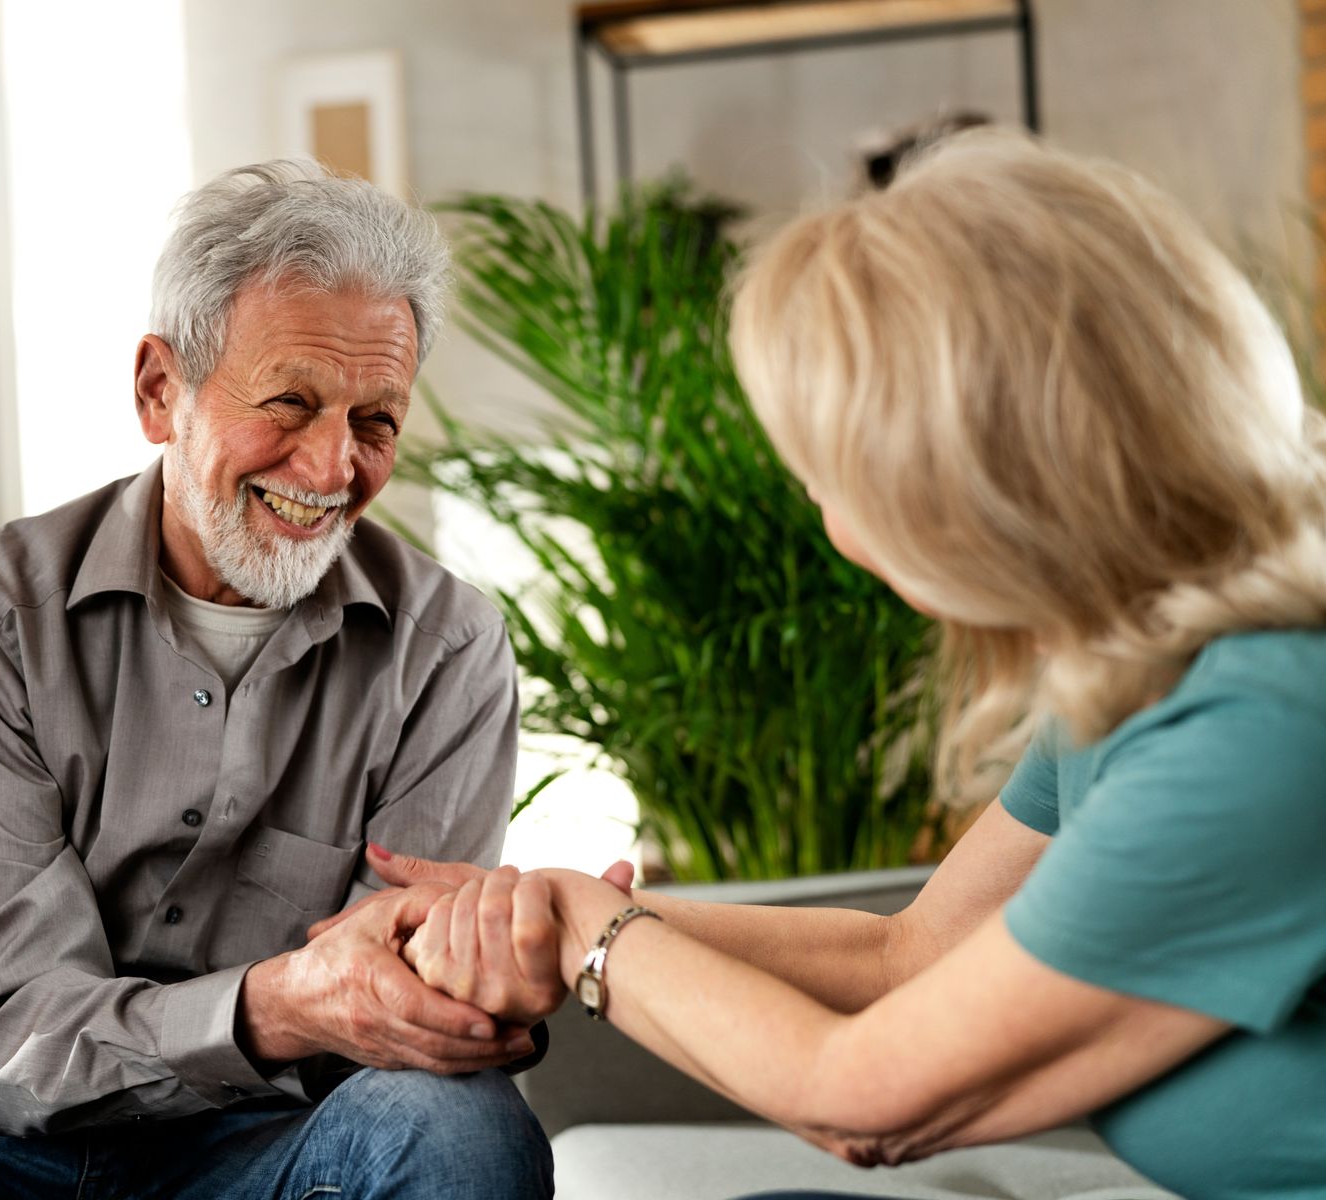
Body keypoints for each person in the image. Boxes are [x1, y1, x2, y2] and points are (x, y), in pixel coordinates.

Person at [386, 132, 1326, 1199]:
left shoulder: (1264, 723)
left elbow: (859, 1096)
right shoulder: (1155, 651)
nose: (830, 523)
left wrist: (592, 935)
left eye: (827, 475)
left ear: (966, 495)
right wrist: (542, 907)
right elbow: (913, 957)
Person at [0, 159, 555, 1200]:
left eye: (375, 421)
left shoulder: (446, 651)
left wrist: (506, 972)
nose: (329, 469)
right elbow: (6, 1037)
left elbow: (390, 1019)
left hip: (262, 1139)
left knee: (461, 1129)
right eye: (291, 403)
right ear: (158, 391)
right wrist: (281, 1002)